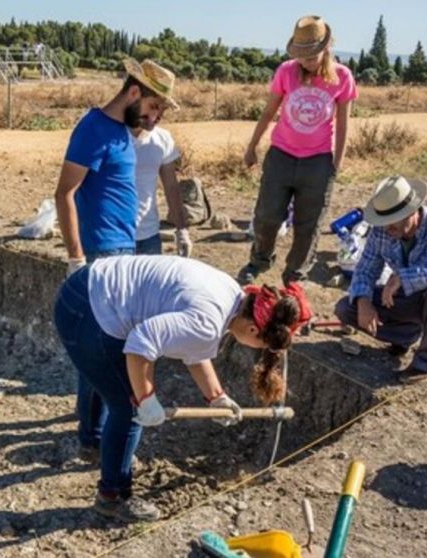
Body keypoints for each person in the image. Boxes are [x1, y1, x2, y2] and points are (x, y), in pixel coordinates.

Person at [54, 255, 311, 522]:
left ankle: (94, 444)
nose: (260, 352)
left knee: (104, 375)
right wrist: (145, 399)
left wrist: (217, 397)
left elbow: (193, 348)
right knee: (128, 408)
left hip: (85, 288)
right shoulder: (208, 322)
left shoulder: (231, 294)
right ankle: (113, 495)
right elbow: (141, 343)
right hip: (89, 312)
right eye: (263, 346)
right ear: (252, 329)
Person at [238, 15, 357, 286]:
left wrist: (335, 164)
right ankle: (259, 260)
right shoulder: (286, 71)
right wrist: (252, 147)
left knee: (308, 224)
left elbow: (343, 125)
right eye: (302, 56)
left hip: (318, 161)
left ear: (326, 48)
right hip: (281, 154)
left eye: (312, 55)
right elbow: (269, 111)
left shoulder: (343, 77)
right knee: (267, 216)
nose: (307, 61)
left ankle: (294, 274)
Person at [334, 176, 427, 384]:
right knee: (346, 308)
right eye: (383, 221)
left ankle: (425, 364)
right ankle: (404, 336)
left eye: (393, 220)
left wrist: (407, 276)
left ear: (413, 211)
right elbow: (365, 269)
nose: (387, 228)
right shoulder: (382, 231)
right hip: (403, 300)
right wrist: (364, 301)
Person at [54, 58, 179, 276]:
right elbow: (64, 193)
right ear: (133, 93)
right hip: (102, 250)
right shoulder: (93, 128)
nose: (154, 117)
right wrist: (76, 259)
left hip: (124, 245)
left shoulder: (122, 131)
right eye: (152, 106)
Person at [130, 102, 190, 257]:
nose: (159, 116)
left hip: (150, 235)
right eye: (156, 108)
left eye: (164, 110)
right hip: (114, 237)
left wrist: (182, 229)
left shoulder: (162, 139)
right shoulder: (111, 136)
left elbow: (171, 186)